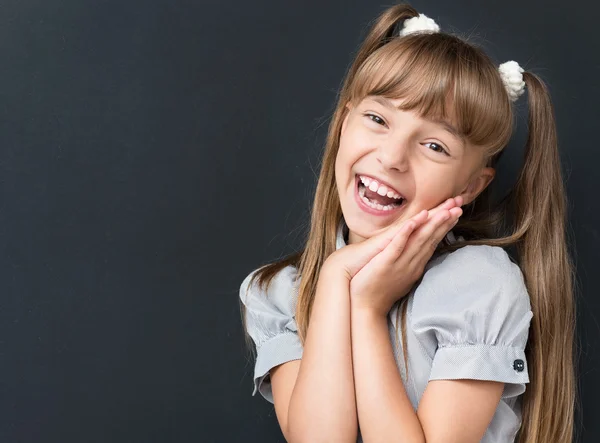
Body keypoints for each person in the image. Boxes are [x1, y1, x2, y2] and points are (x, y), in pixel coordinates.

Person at [238, 3, 577, 442]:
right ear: (344, 124)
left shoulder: (479, 285)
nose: (392, 157)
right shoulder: (281, 292)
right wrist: (337, 274)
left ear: (472, 186)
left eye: (435, 146)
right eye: (378, 119)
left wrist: (365, 307)